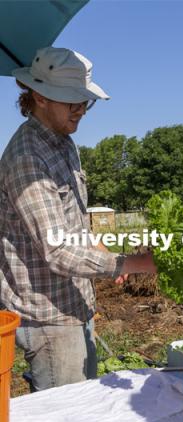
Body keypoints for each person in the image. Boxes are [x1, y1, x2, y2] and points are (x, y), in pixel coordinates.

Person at [0, 47, 156, 392]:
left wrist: (98, 246)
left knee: (84, 401)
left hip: (73, 302)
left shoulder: (63, 143)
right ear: (39, 96)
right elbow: (58, 251)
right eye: (72, 101)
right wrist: (139, 263)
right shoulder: (28, 158)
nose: (81, 110)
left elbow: (71, 224)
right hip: (49, 316)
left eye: (85, 101)